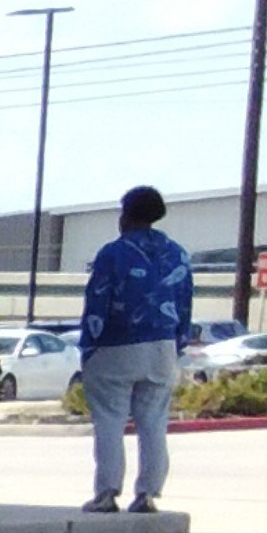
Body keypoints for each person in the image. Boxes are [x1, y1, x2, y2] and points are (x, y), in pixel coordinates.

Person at [74, 183, 193, 512]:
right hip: (163, 346)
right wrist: (176, 343)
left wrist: (89, 347)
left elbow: (97, 302)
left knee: (110, 419)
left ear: (126, 214)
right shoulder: (177, 254)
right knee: (153, 421)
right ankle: (148, 493)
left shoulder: (113, 253)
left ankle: (107, 491)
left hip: (117, 345)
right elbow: (184, 306)